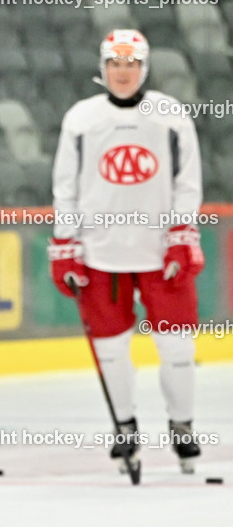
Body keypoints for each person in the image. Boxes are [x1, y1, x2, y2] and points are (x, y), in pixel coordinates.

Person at [49, 29, 205, 475]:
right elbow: (66, 187)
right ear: (103, 68)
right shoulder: (80, 119)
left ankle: (182, 426)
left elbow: (187, 181)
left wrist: (182, 232)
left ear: (144, 67)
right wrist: (66, 244)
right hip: (100, 254)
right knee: (111, 349)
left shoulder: (171, 116)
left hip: (160, 253)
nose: (123, 72)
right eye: (115, 64)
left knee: (177, 347)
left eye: (131, 64)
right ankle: (125, 427)